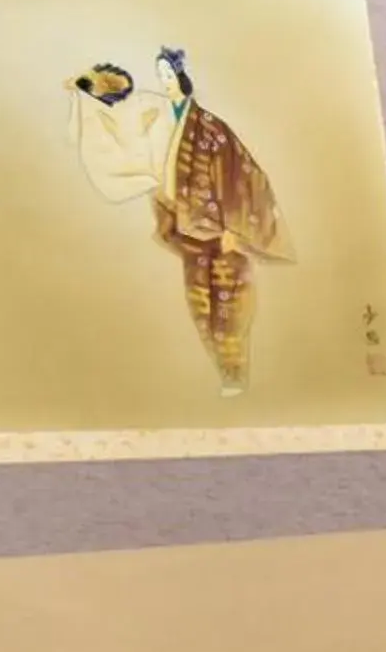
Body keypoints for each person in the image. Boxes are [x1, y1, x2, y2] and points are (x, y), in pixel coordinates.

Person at [68, 48, 293, 394]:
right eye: (162, 76)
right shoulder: (156, 112)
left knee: (230, 302)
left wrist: (234, 229)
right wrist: (87, 90)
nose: (165, 82)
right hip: (187, 229)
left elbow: (239, 175)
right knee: (201, 303)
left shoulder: (210, 127)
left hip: (222, 232)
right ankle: (226, 375)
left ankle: (237, 375)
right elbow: (120, 108)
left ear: (182, 77)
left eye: (170, 75)